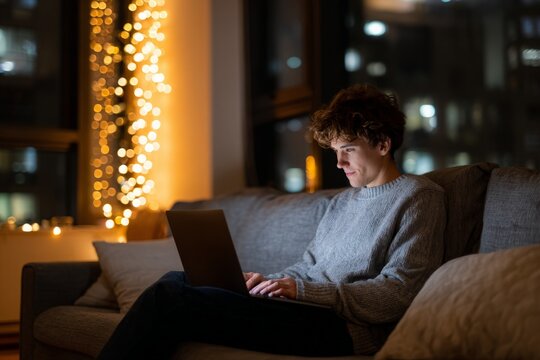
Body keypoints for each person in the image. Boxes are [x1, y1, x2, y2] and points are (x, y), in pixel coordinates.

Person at [98, 83, 446, 359]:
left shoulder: (418, 197)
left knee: (170, 300)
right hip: (304, 308)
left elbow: (399, 293)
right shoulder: (341, 202)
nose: (339, 163)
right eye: (335, 152)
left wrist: (303, 290)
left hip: (344, 327)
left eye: (349, 150)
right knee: (177, 280)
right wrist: (268, 282)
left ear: (383, 144)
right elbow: (307, 266)